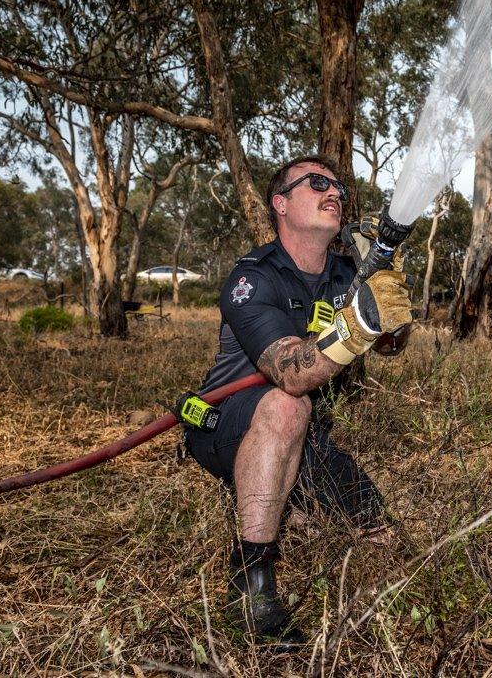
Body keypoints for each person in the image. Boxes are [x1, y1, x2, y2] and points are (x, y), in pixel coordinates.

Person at [183, 154, 413, 646]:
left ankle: (291, 504)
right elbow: (289, 375)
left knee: (382, 537)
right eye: (317, 183)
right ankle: (250, 580)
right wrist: (358, 326)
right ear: (280, 203)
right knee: (288, 405)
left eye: (338, 187)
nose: (335, 193)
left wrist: (387, 301)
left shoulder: (345, 272)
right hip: (227, 421)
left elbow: (392, 343)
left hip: (304, 438)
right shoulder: (254, 277)